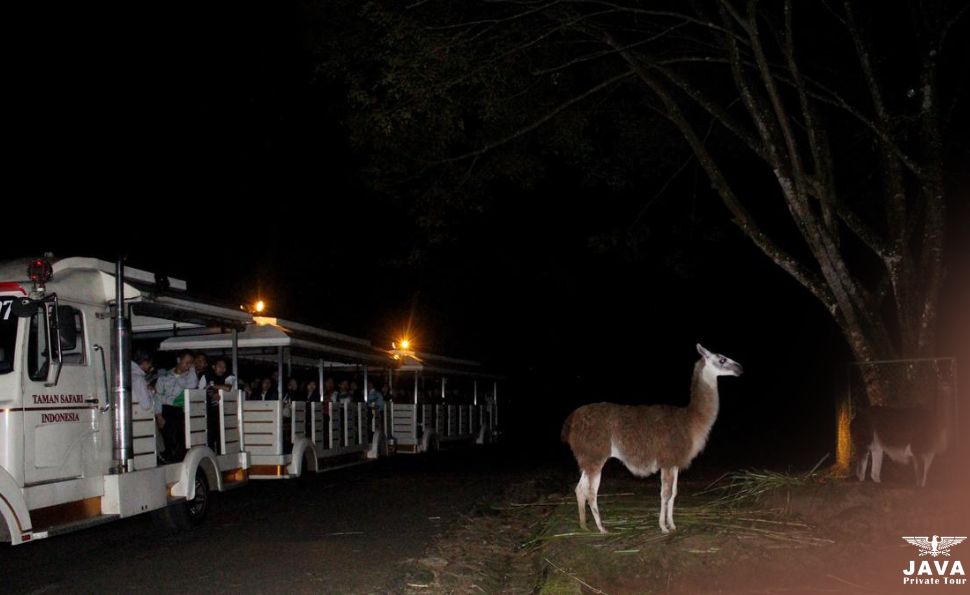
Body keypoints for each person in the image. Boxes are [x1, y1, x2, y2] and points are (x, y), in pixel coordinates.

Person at [154, 350, 198, 462]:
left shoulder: (189, 376)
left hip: (179, 410)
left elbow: (193, 385)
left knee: (178, 440)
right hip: (165, 410)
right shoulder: (164, 376)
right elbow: (158, 396)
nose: (188, 365)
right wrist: (159, 415)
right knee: (168, 440)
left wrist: (192, 369)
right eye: (186, 362)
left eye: (191, 363)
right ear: (179, 360)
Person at [204, 358, 237, 451]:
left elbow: (227, 388)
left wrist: (212, 386)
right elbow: (202, 390)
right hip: (210, 413)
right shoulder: (206, 376)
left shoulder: (230, 376)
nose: (222, 369)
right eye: (220, 366)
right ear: (213, 367)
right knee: (209, 438)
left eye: (224, 367)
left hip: (225, 413)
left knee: (222, 439)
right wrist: (212, 392)